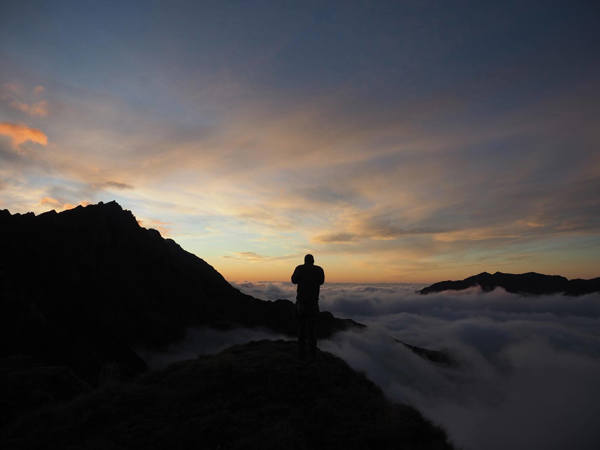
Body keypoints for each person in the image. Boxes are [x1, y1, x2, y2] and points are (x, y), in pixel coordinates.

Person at [291, 254, 325, 359]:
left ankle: (301, 353)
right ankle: (312, 353)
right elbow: (321, 282)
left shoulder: (300, 268)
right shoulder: (319, 269)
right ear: (313, 261)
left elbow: (293, 280)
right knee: (312, 329)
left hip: (301, 302)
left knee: (301, 328)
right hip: (313, 303)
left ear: (305, 260)